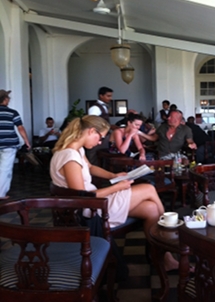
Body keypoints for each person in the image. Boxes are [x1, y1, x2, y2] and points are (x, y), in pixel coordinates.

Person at [50, 115, 178, 270]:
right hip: (91, 208)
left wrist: (113, 176)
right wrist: (117, 187)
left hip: (94, 201)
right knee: (149, 188)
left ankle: (160, 257)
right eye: (100, 138)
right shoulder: (69, 157)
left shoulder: (75, 150)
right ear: (91, 131)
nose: (99, 143)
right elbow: (81, 197)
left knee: (151, 209)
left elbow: (90, 168)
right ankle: (169, 231)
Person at [0, 90, 31, 198]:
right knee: (5, 169)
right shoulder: (12, 112)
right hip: (9, 144)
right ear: (5, 99)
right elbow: (20, 128)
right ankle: (1, 193)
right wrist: (26, 141)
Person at [86, 86, 117, 165]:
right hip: (97, 136)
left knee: (102, 156)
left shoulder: (104, 107)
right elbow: (92, 122)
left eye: (111, 96)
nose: (110, 98)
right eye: (108, 96)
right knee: (93, 156)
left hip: (103, 136)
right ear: (101, 96)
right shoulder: (95, 108)